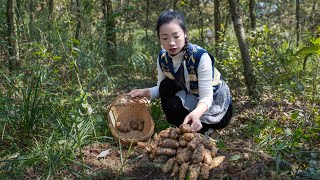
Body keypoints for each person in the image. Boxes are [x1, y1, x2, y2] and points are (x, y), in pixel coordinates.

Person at [128, 10, 232, 134]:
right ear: (160, 38)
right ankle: (185, 128)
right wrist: (147, 92)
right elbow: (162, 89)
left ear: (185, 34)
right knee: (165, 86)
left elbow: (207, 97)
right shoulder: (163, 58)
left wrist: (195, 114)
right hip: (190, 95)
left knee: (202, 114)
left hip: (215, 105)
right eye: (165, 38)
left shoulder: (200, 57)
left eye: (176, 36)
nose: (171, 43)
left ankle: (207, 130)